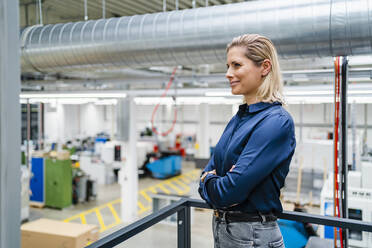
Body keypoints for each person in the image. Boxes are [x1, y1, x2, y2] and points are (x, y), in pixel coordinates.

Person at [198, 34, 296, 248]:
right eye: (228, 66)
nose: (228, 74)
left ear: (265, 67)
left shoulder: (276, 122)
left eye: (236, 65)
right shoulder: (238, 118)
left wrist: (210, 181)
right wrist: (210, 180)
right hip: (225, 230)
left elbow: (229, 191)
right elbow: (209, 172)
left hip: (253, 236)